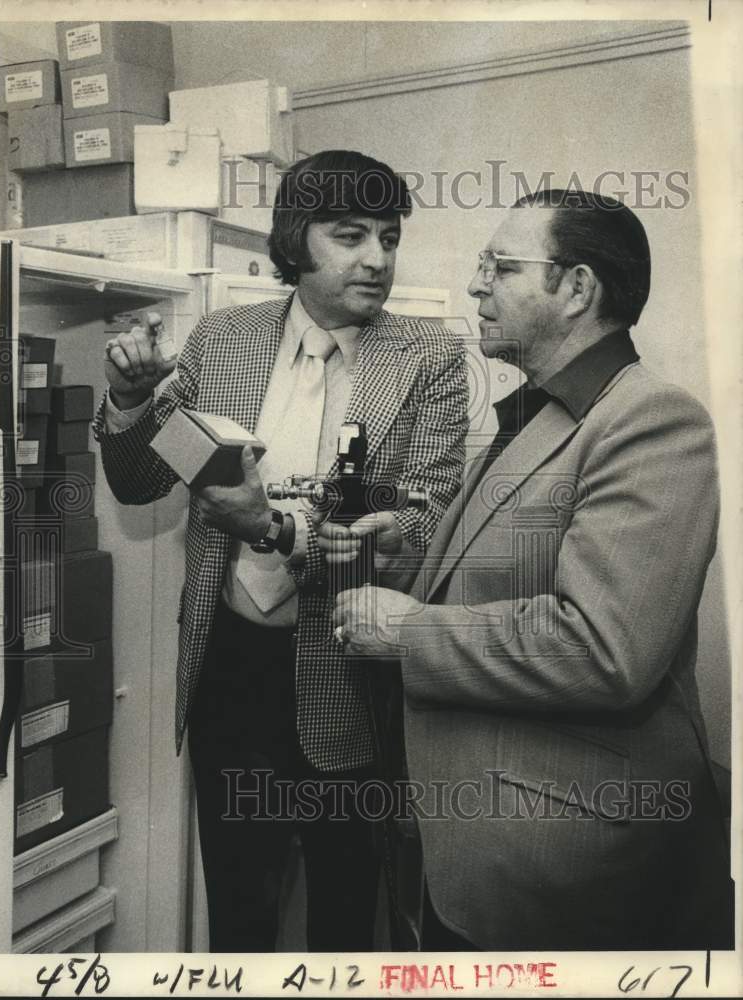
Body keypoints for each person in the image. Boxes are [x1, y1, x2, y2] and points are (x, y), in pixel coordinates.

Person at [326, 189, 734, 950]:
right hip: (477, 859)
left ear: (576, 289)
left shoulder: (652, 421)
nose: (475, 285)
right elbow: (508, 578)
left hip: (568, 874)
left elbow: (602, 649)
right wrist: (410, 558)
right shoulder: (540, 413)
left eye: (499, 267)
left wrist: (410, 632)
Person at [92, 149, 469, 951]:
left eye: (389, 237)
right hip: (229, 671)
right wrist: (130, 402)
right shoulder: (220, 339)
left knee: (345, 917)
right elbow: (136, 486)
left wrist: (279, 529)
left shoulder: (429, 359)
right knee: (240, 912)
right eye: (350, 235)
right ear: (296, 241)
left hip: (351, 678)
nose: (377, 259)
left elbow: (426, 521)